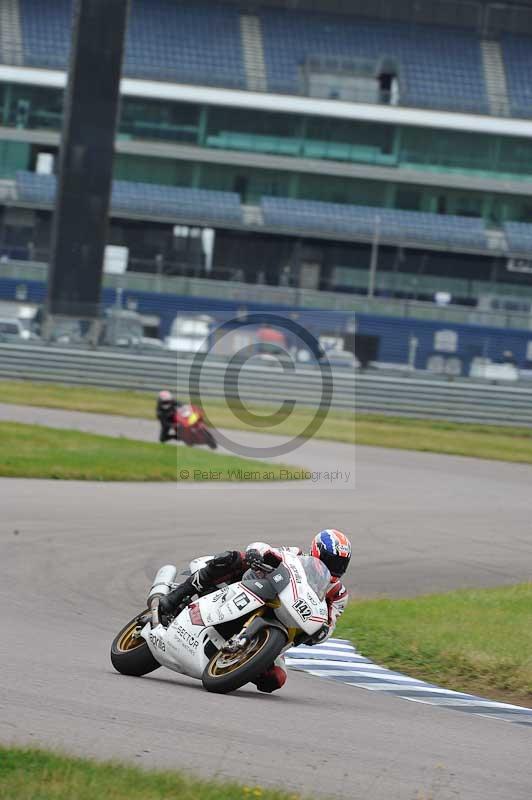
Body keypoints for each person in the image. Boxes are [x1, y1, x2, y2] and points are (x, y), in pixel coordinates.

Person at [158, 530, 351, 693]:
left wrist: (322, 633)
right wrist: (257, 553)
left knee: (276, 680)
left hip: (286, 623)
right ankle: (178, 595)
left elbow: (331, 621)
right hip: (254, 586)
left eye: (340, 564)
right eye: (330, 560)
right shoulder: (297, 555)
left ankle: (241, 662)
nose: (334, 567)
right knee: (234, 558)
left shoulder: (338, 594)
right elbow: (269, 551)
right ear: (315, 551)